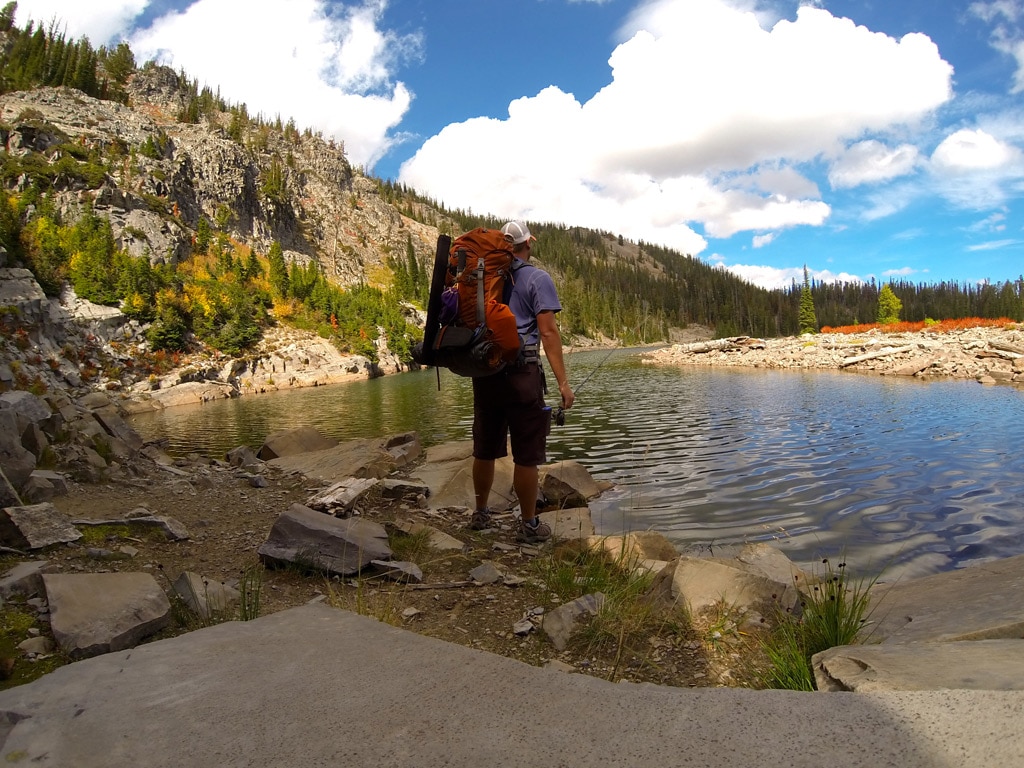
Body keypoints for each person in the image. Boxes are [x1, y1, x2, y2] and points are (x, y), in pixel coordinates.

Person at [470, 220, 575, 543]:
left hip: (485, 371)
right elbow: (548, 333)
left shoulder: (482, 277)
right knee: (527, 453)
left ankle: (480, 513)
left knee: (485, 448)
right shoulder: (537, 278)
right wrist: (563, 384)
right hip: (522, 374)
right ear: (529, 242)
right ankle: (528, 524)